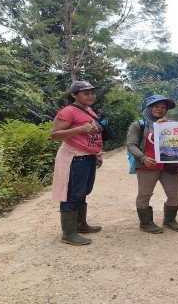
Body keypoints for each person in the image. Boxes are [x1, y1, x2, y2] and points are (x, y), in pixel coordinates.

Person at [50, 81, 105, 246]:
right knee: (72, 193)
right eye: (86, 93)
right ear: (74, 95)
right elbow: (55, 135)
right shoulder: (68, 111)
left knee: (83, 191)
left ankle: (81, 225)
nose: (91, 96)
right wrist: (80, 130)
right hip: (74, 157)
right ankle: (68, 233)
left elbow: (91, 134)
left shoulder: (89, 110)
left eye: (92, 93)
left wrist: (97, 153)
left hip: (88, 157)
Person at [126, 94, 178, 234]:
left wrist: (169, 126)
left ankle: (170, 220)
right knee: (144, 195)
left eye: (163, 107)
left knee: (174, 193)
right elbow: (131, 144)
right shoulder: (138, 125)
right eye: (156, 106)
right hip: (147, 165)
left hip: (168, 166)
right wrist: (142, 157)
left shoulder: (170, 124)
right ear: (149, 108)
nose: (160, 109)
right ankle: (146, 223)